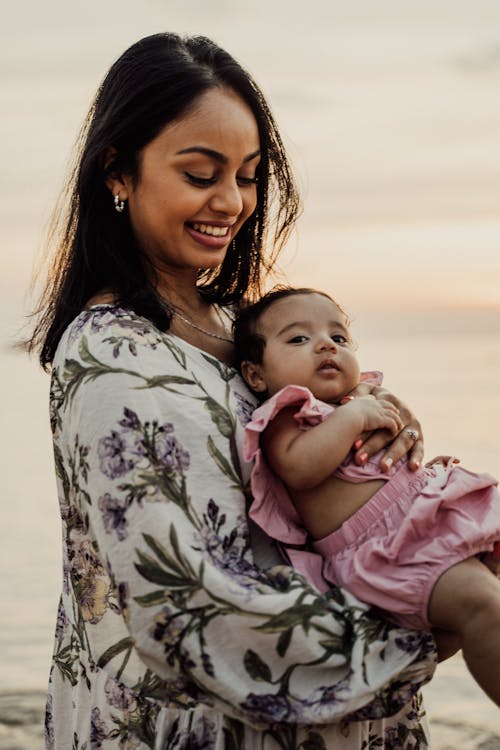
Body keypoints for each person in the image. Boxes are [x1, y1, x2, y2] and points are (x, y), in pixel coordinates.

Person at [28, 33, 442, 749]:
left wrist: (377, 432)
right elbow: (177, 601)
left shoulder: (238, 326)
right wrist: (425, 625)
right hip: (192, 727)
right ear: (117, 171)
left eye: (249, 175)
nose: (231, 202)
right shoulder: (110, 352)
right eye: (200, 173)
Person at [234, 286, 500, 708]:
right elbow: (299, 468)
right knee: (485, 607)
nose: (325, 344)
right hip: (392, 550)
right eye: (298, 339)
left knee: (481, 608)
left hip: (432, 521)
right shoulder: (287, 414)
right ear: (256, 375)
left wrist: (423, 478)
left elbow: (388, 464)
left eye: (338, 338)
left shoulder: (361, 398)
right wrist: (352, 416)